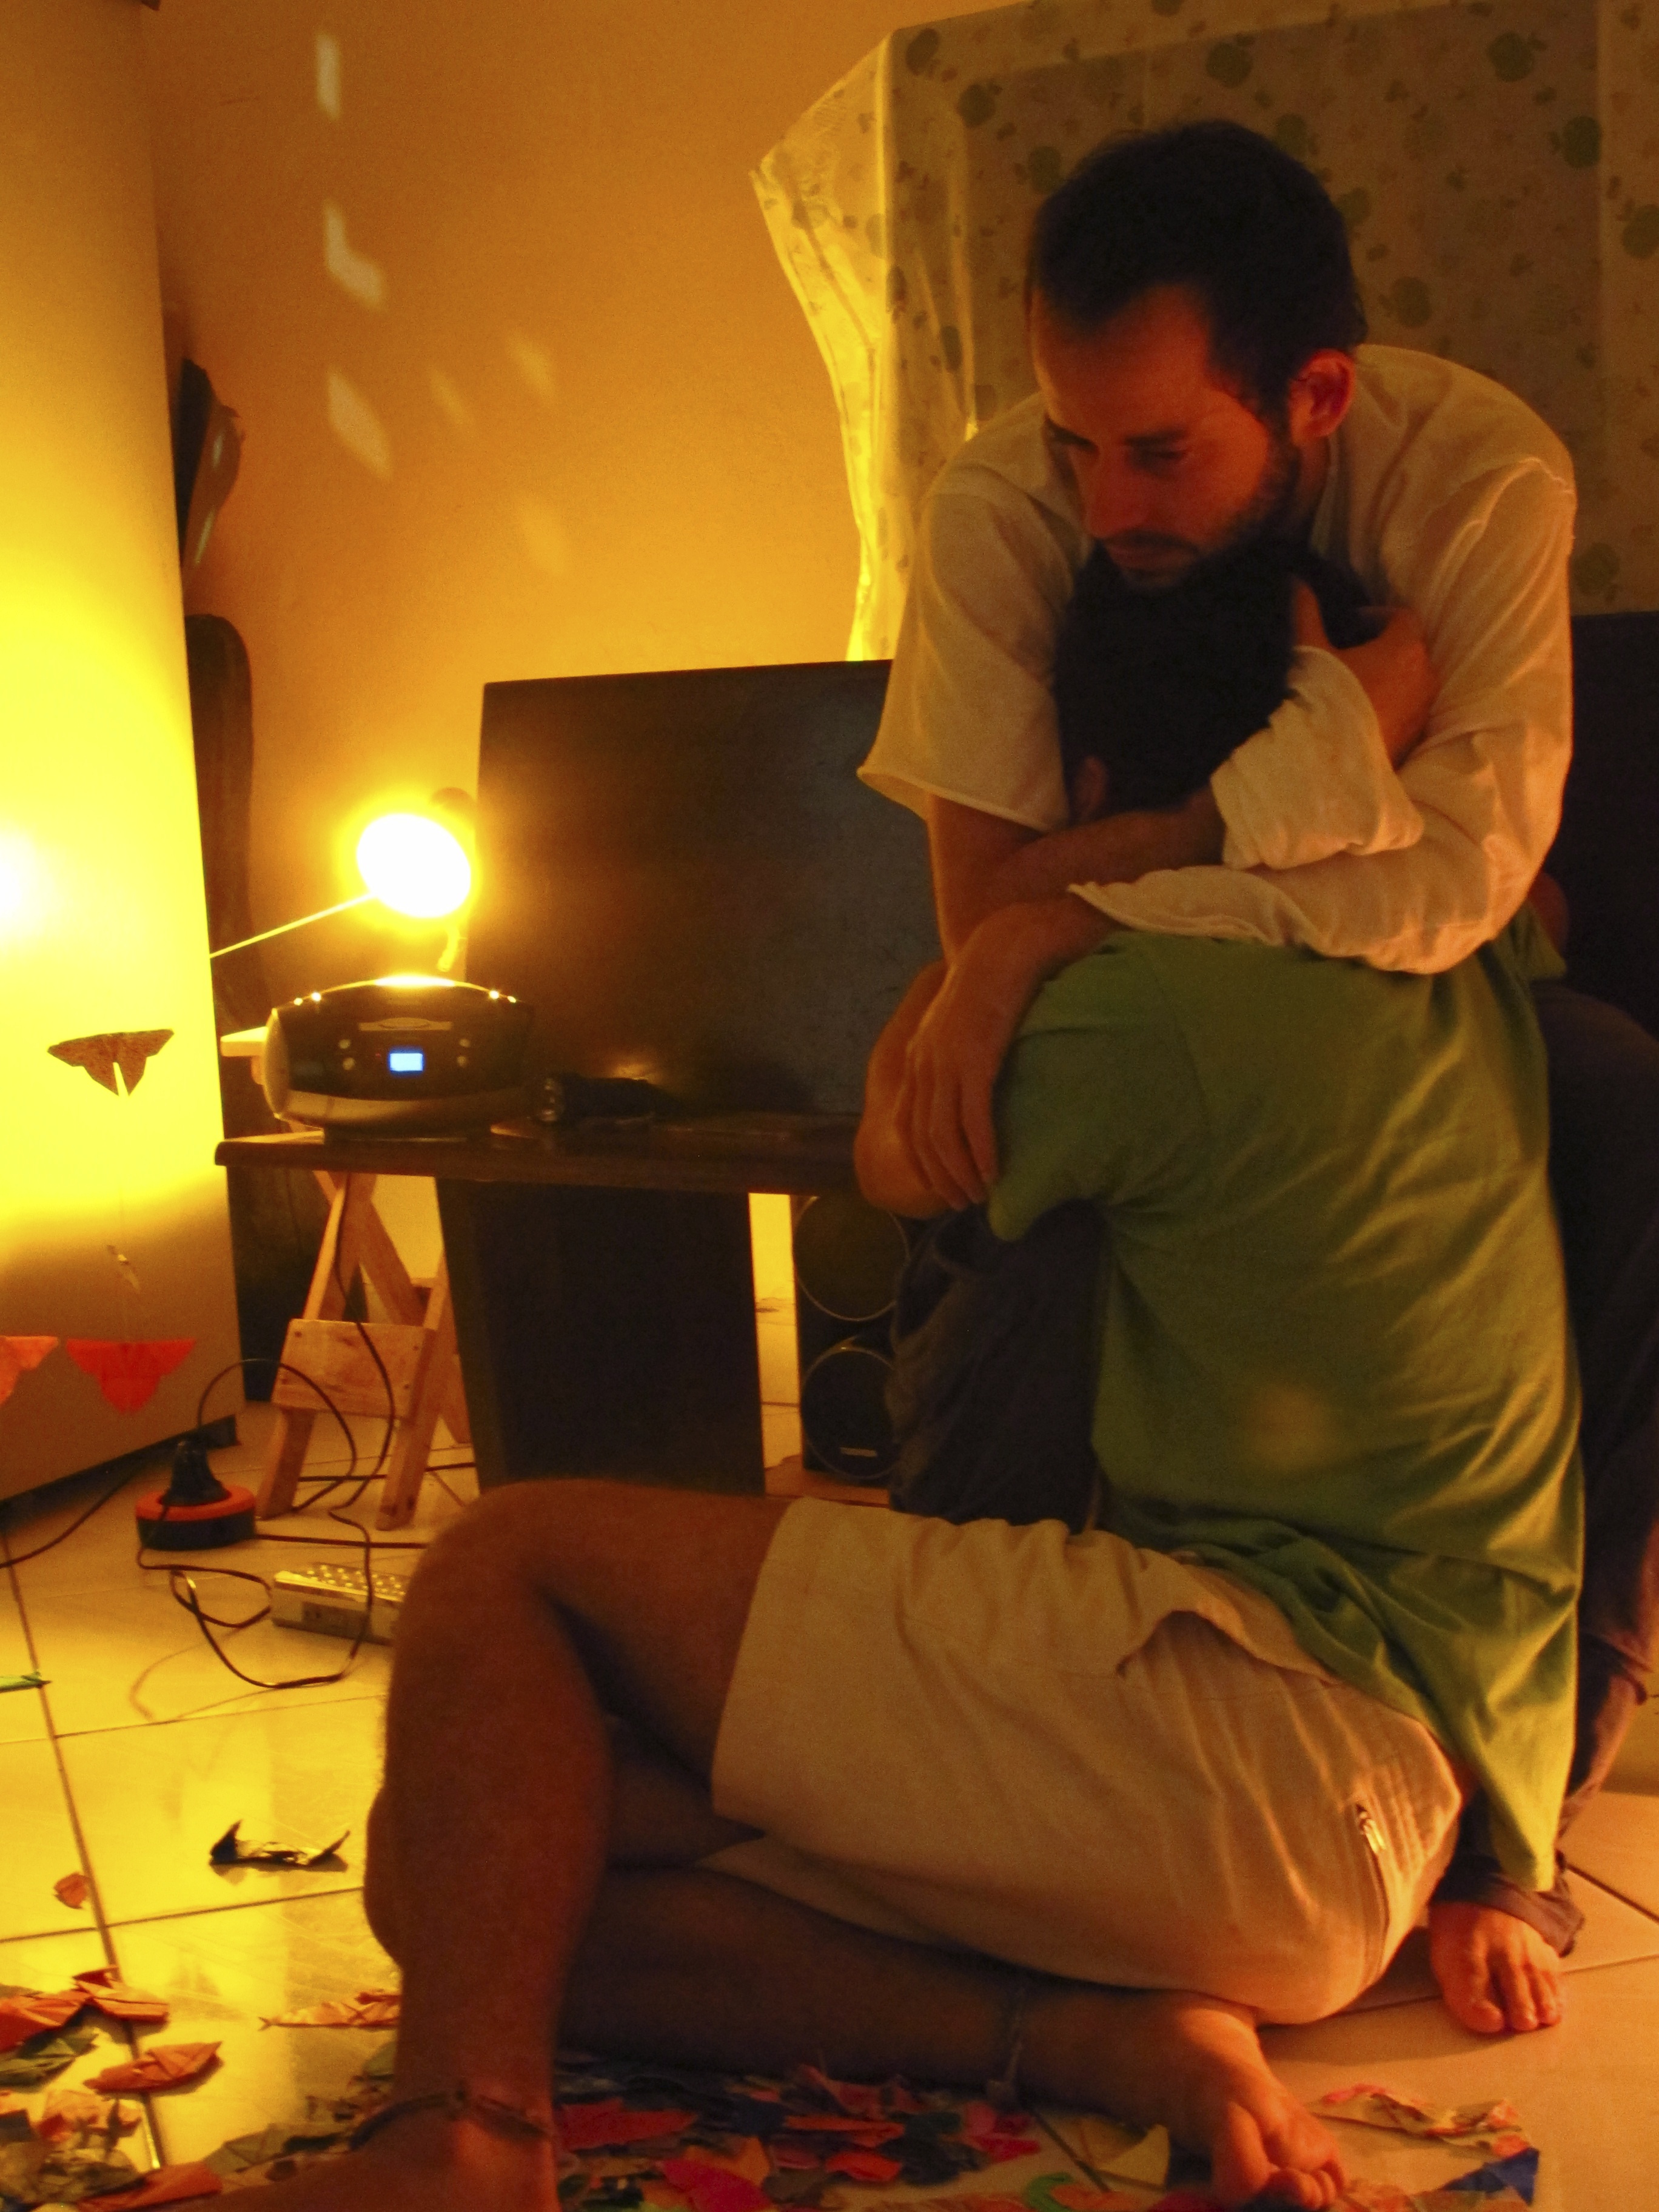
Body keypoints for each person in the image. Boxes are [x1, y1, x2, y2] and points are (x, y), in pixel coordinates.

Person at [225, 868, 1580, 2212]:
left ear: (1086, 790)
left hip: (1269, 1730)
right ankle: (1103, 2034)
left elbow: (896, 1155)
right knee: (464, 1880)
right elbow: (1531, 898)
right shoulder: (1462, 946)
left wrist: (1026, 927)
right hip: (1362, 1836)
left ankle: (462, 2146)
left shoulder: (1157, 1003)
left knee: (503, 1560)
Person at [858, 117, 1659, 2033]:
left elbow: (1454, 886)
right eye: (1073, 441)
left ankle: (1517, 1825)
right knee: (1015, 1140)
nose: (1103, 498)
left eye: (1157, 452)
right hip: (1141, 984)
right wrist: (1316, 767)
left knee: (1625, 1107)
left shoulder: (1476, 476)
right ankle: (959, 1714)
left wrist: (1087, 907)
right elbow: (981, 914)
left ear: (1316, 398)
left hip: (1416, 969)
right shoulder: (1009, 504)